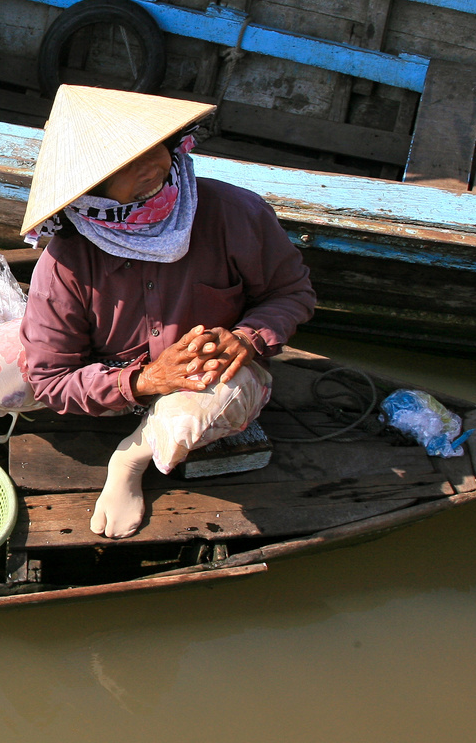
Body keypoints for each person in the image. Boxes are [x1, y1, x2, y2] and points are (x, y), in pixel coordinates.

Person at [18, 87, 316, 539]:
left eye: (153, 149)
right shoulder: (65, 262)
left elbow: (292, 293)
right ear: (93, 191)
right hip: (115, 383)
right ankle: (139, 422)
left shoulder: (236, 212)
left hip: (208, 380)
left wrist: (247, 337)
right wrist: (144, 381)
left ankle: (131, 457)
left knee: (191, 412)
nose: (152, 167)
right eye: (124, 166)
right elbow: (50, 378)